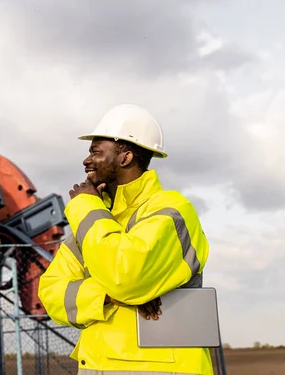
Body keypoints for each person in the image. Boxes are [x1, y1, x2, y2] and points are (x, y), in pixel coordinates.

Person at [38, 104, 212, 375]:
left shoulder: (171, 210)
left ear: (126, 157)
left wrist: (86, 206)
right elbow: (51, 292)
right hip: (97, 367)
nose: (86, 161)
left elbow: (126, 275)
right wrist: (107, 295)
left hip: (163, 369)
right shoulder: (95, 221)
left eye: (96, 151)